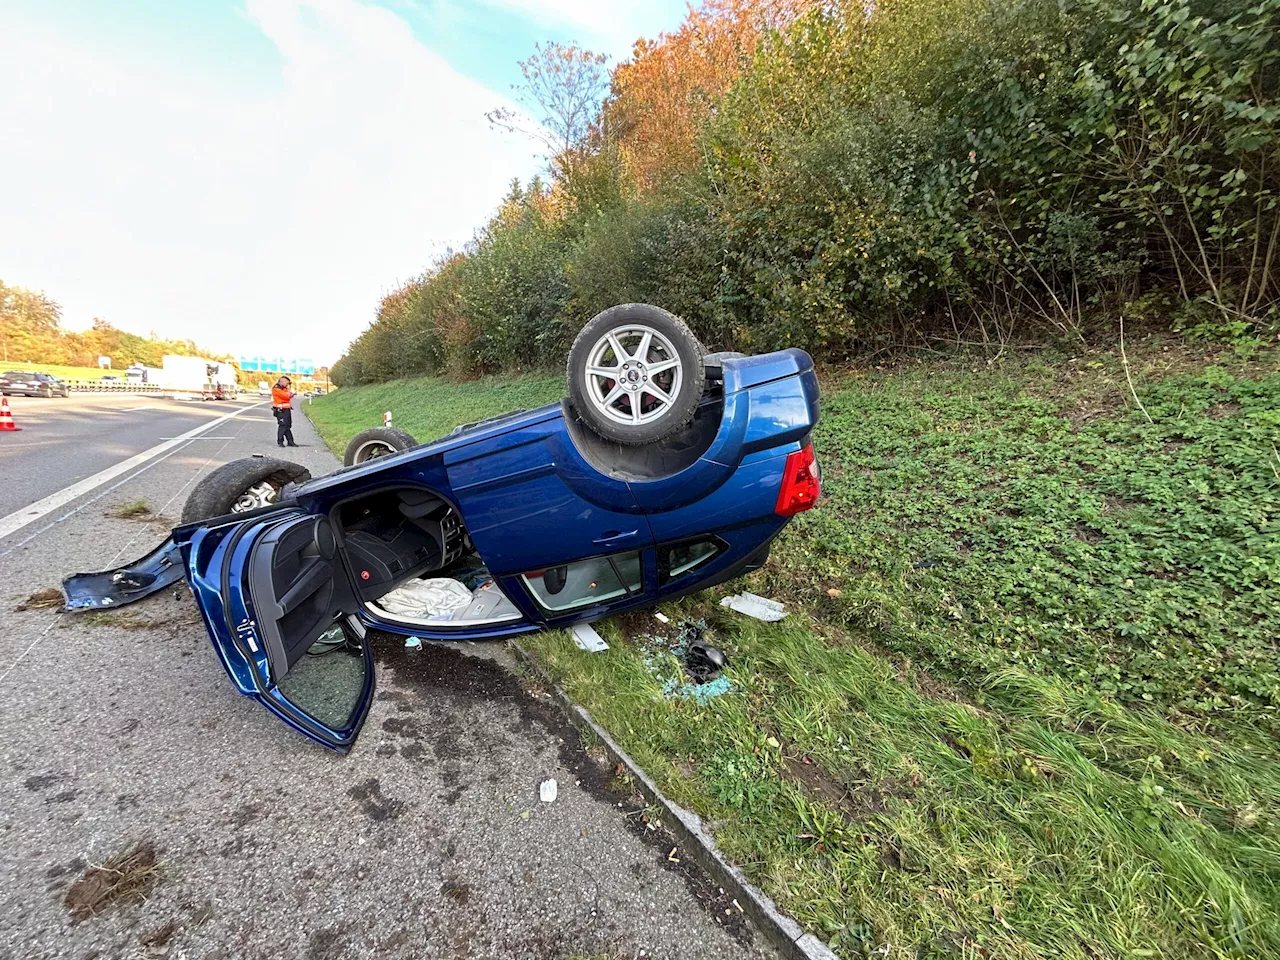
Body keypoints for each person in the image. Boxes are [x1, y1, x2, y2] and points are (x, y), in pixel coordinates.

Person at [271, 376, 298, 447]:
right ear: (282, 381)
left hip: (286, 409)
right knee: (283, 426)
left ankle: (290, 441)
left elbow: (289, 395)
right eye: (287, 383)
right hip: (280, 410)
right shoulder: (276, 389)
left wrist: (289, 393)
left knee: (287, 426)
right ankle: (280, 441)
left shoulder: (284, 388)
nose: (287, 385)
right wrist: (290, 393)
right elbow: (286, 396)